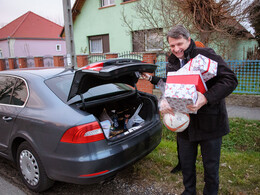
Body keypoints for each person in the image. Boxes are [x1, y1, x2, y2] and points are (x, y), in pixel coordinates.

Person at [143, 25, 238, 194]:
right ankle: (189, 191)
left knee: (210, 167)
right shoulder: (171, 61)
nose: (176, 49)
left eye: (179, 44)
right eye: (172, 46)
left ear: (188, 40)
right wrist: (165, 102)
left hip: (211, 122)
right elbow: (172, 86)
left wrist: (206, 97)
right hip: (185, 123)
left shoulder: (206, 54)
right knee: (186, 164)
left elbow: (230, 79)